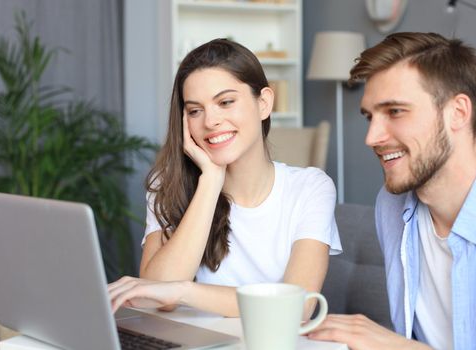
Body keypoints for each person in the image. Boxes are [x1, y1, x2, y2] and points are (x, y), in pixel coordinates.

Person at [108, 38, 342, 318]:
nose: (210, 121)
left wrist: (184, 292)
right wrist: (210, 181)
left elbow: (298, 307)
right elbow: (157, 296)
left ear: (264, 103)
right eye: (195, 110)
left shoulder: (311, 188)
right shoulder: (167, 185)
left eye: (226, 102)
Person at [307, 32, 476, 349]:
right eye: (370, 116)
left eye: (395, 111)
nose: (372, 137)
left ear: (458, 112)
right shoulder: (392, 206)